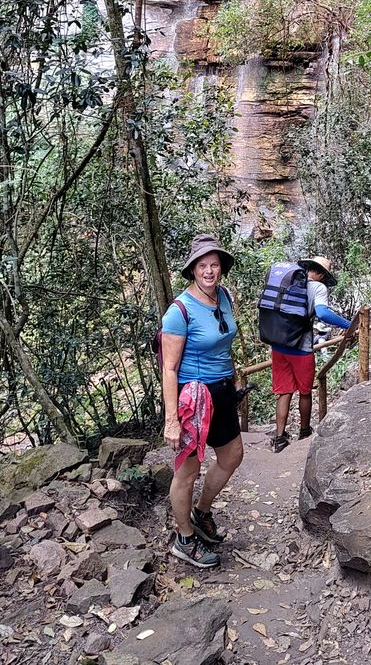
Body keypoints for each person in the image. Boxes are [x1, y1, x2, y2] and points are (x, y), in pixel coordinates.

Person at [161, 234, 243, 568]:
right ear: (193, 270)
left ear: (221, 267)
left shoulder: (223, 296)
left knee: (232, 456)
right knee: (187, 472)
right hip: (193, 398)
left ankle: (201, 512)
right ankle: (184, 538)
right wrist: (171, 420)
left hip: (222, 391)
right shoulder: (179, 311)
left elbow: (224, 343)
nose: (209, 271)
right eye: (202, 266)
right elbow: (169, 368)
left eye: (214, 264)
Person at [271, 255, 355, 454]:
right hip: (301, 346)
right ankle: (304, 432)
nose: (325, 280)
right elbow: (323, 313)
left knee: (285, 391)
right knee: (305, 391)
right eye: (324, 276)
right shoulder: (318, 287)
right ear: (320, 274)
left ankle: (280, 437)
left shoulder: (287, 281)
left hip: (278, 344)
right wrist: (348, 324)